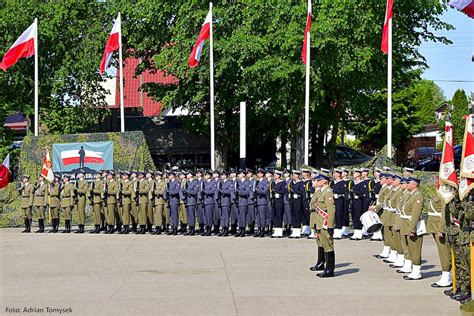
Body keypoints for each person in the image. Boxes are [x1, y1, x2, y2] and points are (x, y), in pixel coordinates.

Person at [311, 170, 336, 278]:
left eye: (319, 180)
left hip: (325, 223)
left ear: (324, 181)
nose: (317, 181)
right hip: (320, 222)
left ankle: (330, 270)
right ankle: (325, 267)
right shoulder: (321, 192)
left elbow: (331, 210)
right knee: (324, 244)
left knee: (328, 246)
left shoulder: (328, 192)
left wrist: (330, 225)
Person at [401, 177, 424, 280]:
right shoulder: (411, 194)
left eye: (409, 183)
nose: (407, 184)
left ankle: (417, 271)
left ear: (414, 185)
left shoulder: (418, 195)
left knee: (415, 249)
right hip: (406, 223)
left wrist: (412, 228)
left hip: (411, 224)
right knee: (409, 248)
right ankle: (412, 268)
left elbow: (416, 214)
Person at [426, 192, 452, 288]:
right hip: (434, 225)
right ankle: (447, 276)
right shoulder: (440, 194)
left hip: (438, 226)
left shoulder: (445, 195)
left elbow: (444, 213)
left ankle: (446, 276)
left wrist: (441, 228)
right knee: (442, 252)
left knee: (444, 252)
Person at [349, 169, 368, 240]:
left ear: (359, 174)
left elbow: (364, 193)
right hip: (354, 202)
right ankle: (356, 232)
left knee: (358, 217)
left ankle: (359, 233)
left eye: (355, 173)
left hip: (360, 202)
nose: (353, 174)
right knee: (354, 216)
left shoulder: (363, 183)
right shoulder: (354, 183)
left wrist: (355, 192)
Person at [289, 170, 304, 238]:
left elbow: (302, 192)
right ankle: (294, 231)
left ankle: (297, 231)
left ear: (297, 175)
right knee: (293, 215)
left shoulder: (300, 183)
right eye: (293, 174)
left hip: (298, 200)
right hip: (293, 200)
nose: (293, 176)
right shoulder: (292, 182)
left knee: (297, 216)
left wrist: (294, 191)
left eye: (294, 174)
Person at [218, 171, 233, 237]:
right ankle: (223, 229)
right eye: (221, 175)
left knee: (226, 216)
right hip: (221, 201)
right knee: (222, 217)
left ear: (226, 176)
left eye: (223, 175)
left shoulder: (229, 182)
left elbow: (229, 191)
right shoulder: (221, 182)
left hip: (226, 201)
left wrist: (221, 191)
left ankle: (226, 230)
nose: (222, 176)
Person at [271, 170, 286, 238]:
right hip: (274, 200)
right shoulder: (273, 182)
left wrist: (277, 191)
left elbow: (283, 191)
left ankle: (279, 232)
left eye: (276, 174)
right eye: (274, 174)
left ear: (279, 176)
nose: (274, 176)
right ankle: (276, 230)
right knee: (275, 215)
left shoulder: (282, 182)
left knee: (279, 215)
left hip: (279, 200)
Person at [332, 169, 346, 239]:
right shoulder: (334, 182)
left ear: (338, 174)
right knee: (335, 216)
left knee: (339, 216)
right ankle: (336, 231)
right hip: (334, 201)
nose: (334, 174)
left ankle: (338, 232)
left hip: (339, 201)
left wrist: (334, 191)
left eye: (335, 173)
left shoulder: (342, 182)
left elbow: (342, 191)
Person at [184, 170, 199, 236]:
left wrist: (187, 191)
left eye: (188, 174)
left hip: (192, 201)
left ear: (191, 175)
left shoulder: (195, 182)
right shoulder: (187, 182)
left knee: (192, 216)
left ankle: (192, 230)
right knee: (189, 216)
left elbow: (195, 192)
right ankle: (190, 228)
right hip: (187, 201)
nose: (187, 175)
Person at [202, 170, 216, 236]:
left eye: (206, 175)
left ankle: (209, 229)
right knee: (205, 216)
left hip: (210, 201)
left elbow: (213, 191)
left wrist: (205, 192)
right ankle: (206, 228)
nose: (205, 176)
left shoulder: (213, 182)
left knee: (209, 216)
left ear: (209, 176)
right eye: (205, 175)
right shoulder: (204, 182)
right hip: (204, 201)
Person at [166, 171, 180, 235]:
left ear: (173, 176)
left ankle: (175, 228)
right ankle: (172, 227)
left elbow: (177, 191)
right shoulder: (169, 183)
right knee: (171, 215)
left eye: (170, 175)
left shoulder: (176, 182)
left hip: (174, 200)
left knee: (175, 215)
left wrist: (170, 192)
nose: (169, 176)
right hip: (170, 200)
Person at [236, 169, 249, 237]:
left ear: (243, 174)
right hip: (238, 201)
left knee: (243, 217)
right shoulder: (238, 182)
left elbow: (247, 192)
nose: (239, 175)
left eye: (240, 174)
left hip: (243, 202)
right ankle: (240, 229)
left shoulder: (246, 182)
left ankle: (243, 230)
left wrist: (239, 192)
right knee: (239, 217)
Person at [255, 168, 268, 238]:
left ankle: (263, 230)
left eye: (260, 173)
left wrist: (258, 190)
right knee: (258, 217)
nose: (258, 174)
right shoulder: (257, 182)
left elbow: (265, 191)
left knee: (262, 217)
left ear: (263, 174)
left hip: (262, 201)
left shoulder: (265, 181)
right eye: (258, 173)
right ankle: (259, 230)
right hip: (257, 201)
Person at [301, 169, 313, 237]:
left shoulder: (309, 182)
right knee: (303, 215)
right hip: (302, 200)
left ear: (307, 174)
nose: (302, 174)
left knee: (307, 215)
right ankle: (305, 228)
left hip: (307, 200)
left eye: (304, 173)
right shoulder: (303, 182)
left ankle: (309, 229)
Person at [246, 169, 256, 235]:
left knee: (252, 215)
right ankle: (249, 227)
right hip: (246, 200)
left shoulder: (254, 181)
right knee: (248, 215)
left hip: (251, 200)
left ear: (251, 174)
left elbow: (254, 190)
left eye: (249, 173)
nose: (247, 174)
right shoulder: (246, 181)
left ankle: (252, 228)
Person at [282, 169, 292, 236]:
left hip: (288, 200)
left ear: (288, 174)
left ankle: (289, 228)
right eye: (284, 173)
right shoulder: (283, 181)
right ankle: (285, 227)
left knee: (288, 214)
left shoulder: (290, 181)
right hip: (282, 200)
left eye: (286, 173)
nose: (285, 174)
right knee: (284, 215)